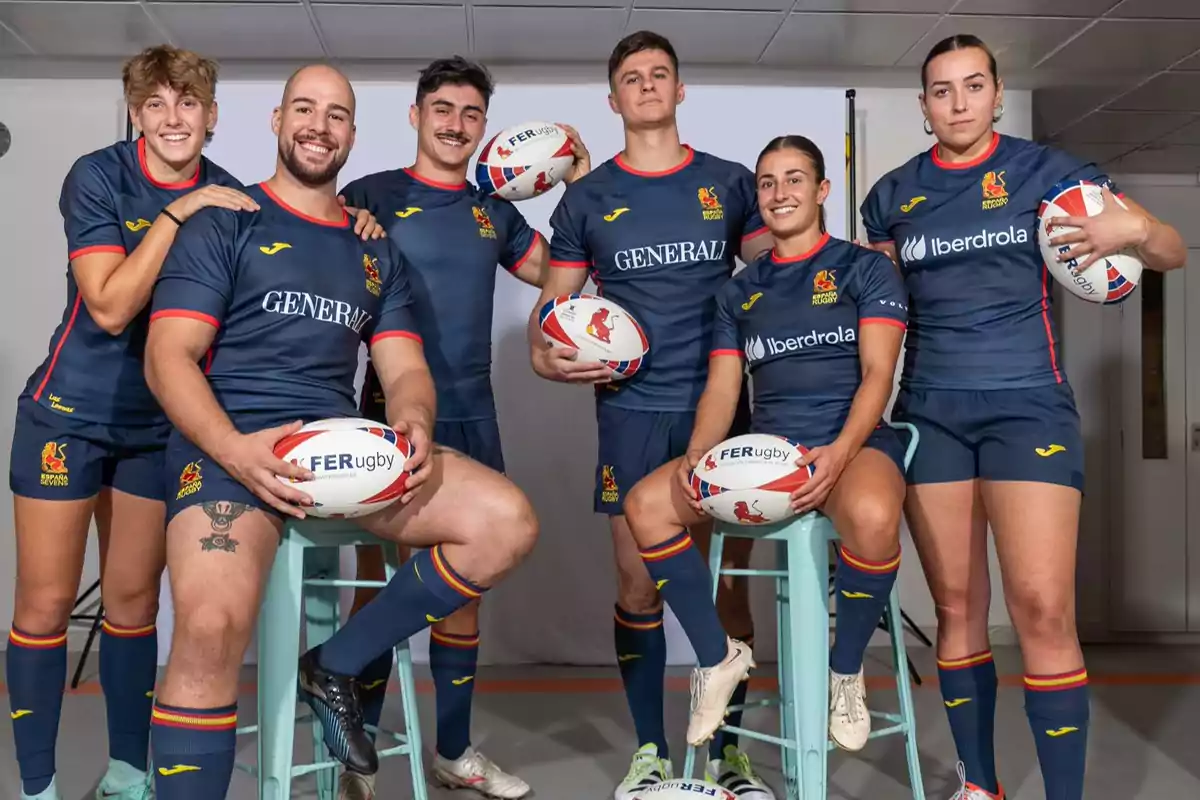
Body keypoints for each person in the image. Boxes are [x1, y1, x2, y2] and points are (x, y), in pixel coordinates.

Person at [141, 63, 539, 800]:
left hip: (338, 452)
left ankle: (339, 661)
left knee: (506, 521)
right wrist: (233, 449)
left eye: (335, 116)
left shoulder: (373, 246)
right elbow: (169, 359)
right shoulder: (227, 221)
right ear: (277, 120)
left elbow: (406, 370)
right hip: (231, 451)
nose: (318, 127)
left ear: (353, 134)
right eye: (305, 109)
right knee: (208, 625)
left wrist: (412, 422)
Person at [859, 34, 1187, 800]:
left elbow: (1171, 251)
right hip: (930, 413)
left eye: (974, 86)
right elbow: (877, 314)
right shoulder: (892, 195)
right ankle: (981, 785)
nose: (960, 102)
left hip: (1027, 406)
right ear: (924, 106)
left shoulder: (1050, 173)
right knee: (957, 607)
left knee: (1041, 606)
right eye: (942, 90)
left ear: (998, 94)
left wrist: (1131, 231)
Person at [527, 30, 775, 800]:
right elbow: (548, 323)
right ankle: (649, 753)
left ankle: (730, 751)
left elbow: (786, 269)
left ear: (678, 90)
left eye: (658, 74)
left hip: (721, 404)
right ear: (614, 100)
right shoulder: (587, 198)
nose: (646, 86)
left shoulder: (729, 183)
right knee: (639, 585)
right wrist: (550, 359)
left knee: (727, 588)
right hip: (631, 411)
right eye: (631, 78)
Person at [337, 55, 590, 800]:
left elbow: (559, 277)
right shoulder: (368, 195)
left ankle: (453, 751)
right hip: (387, 418)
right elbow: (318, 260)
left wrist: (580, 186)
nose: (455, 124)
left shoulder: (494, 212)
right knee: (378, 593)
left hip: (474, 413)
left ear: (484, 127)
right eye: (442, 109)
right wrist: (343, 225)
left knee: (462, 591)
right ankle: (358, 759)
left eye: (471, 114)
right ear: (417, 116)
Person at [5, 44, 252, 800]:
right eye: (155, 105)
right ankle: (40, 786)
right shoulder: (99, 175)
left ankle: (126, 772)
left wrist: (363, 227)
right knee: (46, 605)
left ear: (211, 117)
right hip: (66, 414)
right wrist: (180, 213)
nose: (171, 119)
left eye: (186, 104)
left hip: (155, 426)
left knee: (134, 604)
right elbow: (109, 306)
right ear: (136, 115)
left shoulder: (234, 194)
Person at [623, 135, 909, 784]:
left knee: (868, 512)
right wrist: (699, 456)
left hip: (851, 441)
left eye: (794, 180)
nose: (780, 194)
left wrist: (838, 453)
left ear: (821, 190)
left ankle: (845, 671)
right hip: (769, 454)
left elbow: (877, 375)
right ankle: (717, 656)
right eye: (768, 183)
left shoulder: (866, 270)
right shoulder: (738, 292)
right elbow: (724, 388)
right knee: (645, 505)